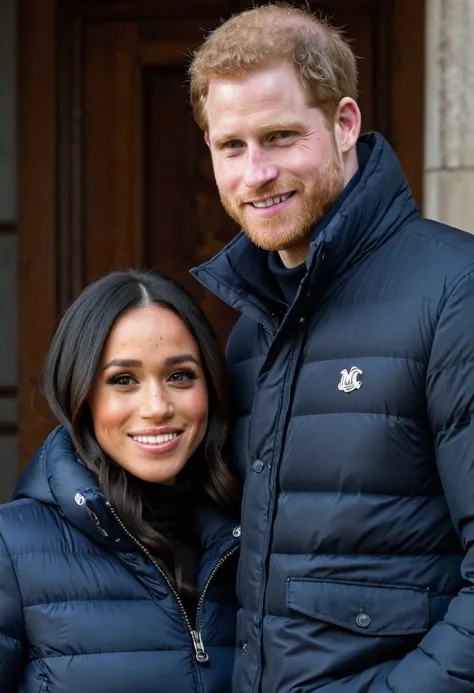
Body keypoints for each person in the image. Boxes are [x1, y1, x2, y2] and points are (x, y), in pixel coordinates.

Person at [188, 4, 474, 693]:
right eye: (231, 146)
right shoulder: (255, 326)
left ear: (345, 124)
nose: (255, 173)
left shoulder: (455, 291)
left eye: (280, 136)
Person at [0, 270, 241, 693]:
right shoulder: (10, 546)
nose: (156, 407)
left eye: (180, 375)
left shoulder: (251, 536)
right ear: (81, 394)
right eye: (123, 380)